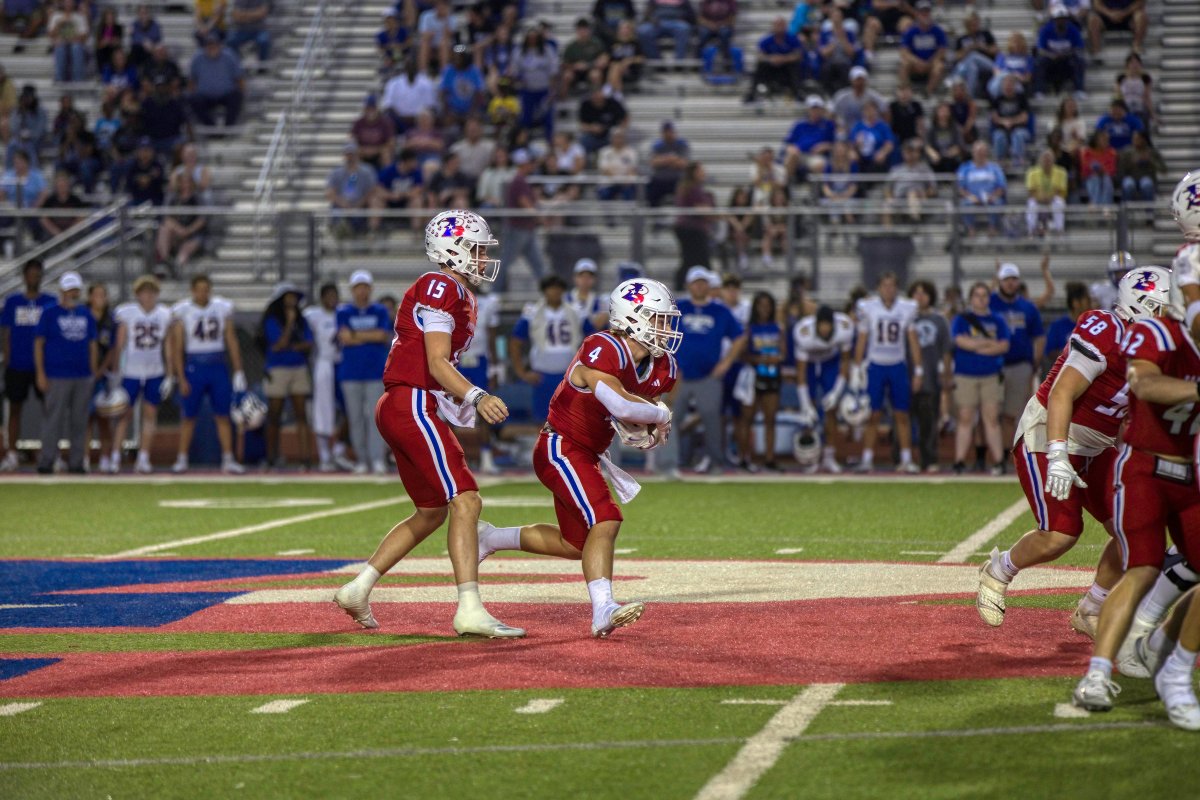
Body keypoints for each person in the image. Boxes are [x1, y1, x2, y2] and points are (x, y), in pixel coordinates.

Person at [334, 209, 524, 640]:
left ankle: (358, 588)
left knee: (432, 511)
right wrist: (477, 396)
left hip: (405, 404)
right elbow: (437, 362)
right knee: (467, 501)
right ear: (452, 251)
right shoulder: (441, 285)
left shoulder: (455, 290)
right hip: (413, 402)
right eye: (476, 249)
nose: (482, 258)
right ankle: (469, 609)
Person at [475, 278, 681, 637]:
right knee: (606, 518)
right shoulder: (604, 346)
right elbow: (620, 404)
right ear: (633, 317)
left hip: (586, 453)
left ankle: (490, 539)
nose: (666, 327)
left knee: (577, 545)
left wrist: (647, 431)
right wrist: (660, 415)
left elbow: (638, 417)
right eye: (658, 318)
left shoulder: (664, 367)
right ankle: (603, 609)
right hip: (560, 446)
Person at [978, 267, 1171, 641]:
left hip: (1098, 443)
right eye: (1167, 309)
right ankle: (998, 571)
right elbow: (1061, 393)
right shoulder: (1107, 331)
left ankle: (1092, 608)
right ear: (1142, 307)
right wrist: (1058, 454)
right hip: (1050, 430)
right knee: (1061, 534)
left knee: (1138, 527)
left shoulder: (1158, 350)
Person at [1070, 281, 1200, 727]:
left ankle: (1170, 664)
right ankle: (1097, 674)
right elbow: (1144, 383)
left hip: (1190, 473)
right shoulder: (1156, 331)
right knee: (1142, 566)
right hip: (1144, 467)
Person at [666, 266, 744, 474]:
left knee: (711, 419)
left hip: (709, 374)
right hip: (679, 375)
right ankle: (667, 464)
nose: (699, 286)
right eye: (696, 283)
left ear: (709, 286)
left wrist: (726, 363)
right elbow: (661, 334)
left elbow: (739, 337)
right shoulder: (677, 308)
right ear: (688, 285)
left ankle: (716, 463)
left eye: (703, 282)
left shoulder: (720, 310)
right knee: (670, 419)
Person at [170, 274, 245, 474]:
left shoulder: (221, 307)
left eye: (206, 289)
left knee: (223, 415)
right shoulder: (183, 310)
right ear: (193, 290)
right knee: (188, 416)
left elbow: (231, 340)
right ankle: (182, 458)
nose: (203, 293)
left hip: (217, 365)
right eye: (199, 289)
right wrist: (180, 376)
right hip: (194, 366)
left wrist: (238, 370)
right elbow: (177, 347)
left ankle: (228, 459)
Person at [853, 272, 921, 473]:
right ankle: (867, 459)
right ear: (878, 288)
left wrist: (919, 370)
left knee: (902, 414)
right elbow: (862, 338)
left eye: (892, 285)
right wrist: (857, 368)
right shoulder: (867, 307)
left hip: (897, 365)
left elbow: (913, 340)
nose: (888, 289)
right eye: (885, 285)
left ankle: (906, 459)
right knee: (872, 414)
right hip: (875, 366)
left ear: (897, 288)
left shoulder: (907, 308)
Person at [32, 270, 95, 474]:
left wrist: (92, 372)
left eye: (75, 289)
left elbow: (92, 344)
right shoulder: (49, 313)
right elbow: (39, 343)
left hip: (81, 374)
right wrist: (40, 373)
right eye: (69, 289)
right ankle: (47, 460)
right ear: (61, 290)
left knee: (79, 421)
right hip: (56, 374)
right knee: (53, 420)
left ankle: (77, 461)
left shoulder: (86, 313)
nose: (72, 293)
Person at [110, 275, 173, 474]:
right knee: (124, 415)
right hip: (131, 371)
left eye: (152, 292)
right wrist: (116, 371)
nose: (148, 296)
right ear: (137, 294)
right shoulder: (127, 313)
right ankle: (115, 457)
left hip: (155, 371)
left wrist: (170, 374)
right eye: (144, 292)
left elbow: (168, 346)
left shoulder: (164, 314)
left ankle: (144, 458)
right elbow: (119, 344)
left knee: (150, 415)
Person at [0, 259, 55, 471]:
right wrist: (8, 358)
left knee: (49, 409)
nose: (33, 278)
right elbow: (6, 332)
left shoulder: (50, 302)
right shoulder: (13, 302)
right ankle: (12, 453)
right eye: (30, 274)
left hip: (44, 365)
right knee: (14, 409)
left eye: (37, 274)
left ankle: (49, 452)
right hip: (17, 364)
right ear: (24, 277)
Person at [511, 274, 588, 425]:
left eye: (558, 288)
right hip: (542, 375)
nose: (554, 292)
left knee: (572, 418)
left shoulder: (575, 312)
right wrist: (521, 372)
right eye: (551, 288)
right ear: (544, 291)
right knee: (543, 419)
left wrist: (586, 368)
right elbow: (515, 342)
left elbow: (592, 337)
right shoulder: (533, 312)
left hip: (570, 375)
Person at [951, 281, 1010, 474]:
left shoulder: (997, 320)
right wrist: (987, 344)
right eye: (977, 295)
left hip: (991, 375)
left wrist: (976, 345)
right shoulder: (962, 319)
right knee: (965, 417)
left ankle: (999, 461)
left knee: (991, 418)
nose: (981, 299)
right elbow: (960, 342)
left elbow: (1003, 346)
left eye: (984, 295)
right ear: (971, 298)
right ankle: (959, 461)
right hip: (965, 374)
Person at [336, 270, 391, 475]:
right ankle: (361, 459)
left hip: (375, 372)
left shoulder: (380, 310)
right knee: (355, 418)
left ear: (370, 289)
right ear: (352, 290)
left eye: (365, 287)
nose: (362, 291)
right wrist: (369, 336)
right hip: (350, 373)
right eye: (358, 287)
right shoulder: (343, 311)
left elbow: (381, 336)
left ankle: (377, 459)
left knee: (376, 418)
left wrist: (356, 336)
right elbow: (345, 338)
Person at [991, 262, 1046, 451]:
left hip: (1019, 365)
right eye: (1006, 279)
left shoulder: (1028, 307)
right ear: (999, 281)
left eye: (1014, 279)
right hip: (993, 366)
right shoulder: (990, 303)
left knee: (1011, 414)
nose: (1010, 283)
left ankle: (1007, 454)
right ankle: (990, 456)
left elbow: (1039, 337)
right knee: (990, 413)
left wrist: (1034, 363)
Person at [793, 304, 854, 474]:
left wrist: (836, 392)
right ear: (816, 324)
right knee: (808, 414)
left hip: (830, 362)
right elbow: (801, 373)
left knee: (831, 409)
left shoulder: (844, 328)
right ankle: (811, 458)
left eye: (828, 325)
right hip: (809, 364)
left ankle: (829, 456)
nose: (825, 329)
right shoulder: (803, 332)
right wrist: (805, 404)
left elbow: (845, 362)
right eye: (822, 325)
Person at [261, 282, 312, 469]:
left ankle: (305, 458)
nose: (292, 301)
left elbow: (308, 343)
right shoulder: (271, 320)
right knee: (274, 414)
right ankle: (271, 457)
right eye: (288, 297)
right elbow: (279, 344)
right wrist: (289, 324)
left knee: (301, 414)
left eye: (294, 297)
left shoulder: (302, 320)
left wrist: (292, 345)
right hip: (277, 369)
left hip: (298, 368)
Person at [737, 291, 784, 472]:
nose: (765, 309)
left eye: (768, 305)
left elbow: (784, 353)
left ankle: (769, 459)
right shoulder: (748, 329)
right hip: (752, 377)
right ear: (755, 307)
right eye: (761, 305)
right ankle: (744, 458)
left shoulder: (777, 328)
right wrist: (760, 359)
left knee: (770, 419)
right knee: (746, 418)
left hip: (772, 376)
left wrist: (776, 358)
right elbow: (742, 354)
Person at [303, 282, 344, 473]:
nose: (332, 299)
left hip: (343, 363)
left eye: (334, 295)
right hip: (323, 363)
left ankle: (338, 449)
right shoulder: (313, 315)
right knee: (323, 411)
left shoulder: (344, 312)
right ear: (321, 298)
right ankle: (324, 455)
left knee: (349, 410)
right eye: (328, 295)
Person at [909, 280, 950, 472]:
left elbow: (946, 350)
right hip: (906, 375)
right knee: (903, 419)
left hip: (931, 376)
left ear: (931, 296)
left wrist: (945, 374)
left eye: (924, 293)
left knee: (929, 421)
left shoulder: (939, 320)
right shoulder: (905, 317)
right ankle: (903, 458)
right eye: (916, 293)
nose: (920, 297)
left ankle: (929, 459)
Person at [496, 149, 547, 290]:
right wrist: (540, 217)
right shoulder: (518, 181)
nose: (532, 165)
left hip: (526, 229)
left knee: (538, 264)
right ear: (523, 164)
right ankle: (494, 292)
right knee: (506, 262)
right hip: (517, 229)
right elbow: (524, 202)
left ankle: (548, 290)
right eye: (530, 163)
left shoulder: (522, 180)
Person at [672, 161, 715, 287]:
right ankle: (709, 285)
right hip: (691, 229)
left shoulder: (691, 187)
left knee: (691, 259)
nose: (703, 173)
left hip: (690, 228)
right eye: (700, 171)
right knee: (696, 259)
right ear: (694, 173)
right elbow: (702, 209)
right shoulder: (692, 188)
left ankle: (684, 284)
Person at [155, 172, 206, 275]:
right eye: (182, 182)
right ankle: (165, 260)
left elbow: (202, 219)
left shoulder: (197, 198)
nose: (185, 185)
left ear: (192, 183)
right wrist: (179, 230)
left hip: (193, 234)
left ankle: (177, 267)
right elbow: (166, 217)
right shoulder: (173, 197)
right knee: (164, 228)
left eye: (188, 182)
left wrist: (188, 231)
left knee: (186, 248)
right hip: (175, 232)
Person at [189, 33, 244, 127]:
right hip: (205, 96)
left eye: (214, 45)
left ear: (219, 45)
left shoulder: (229, 56)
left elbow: (239, 77)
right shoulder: (197, 58)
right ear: (204, 46)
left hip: (226, 95)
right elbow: (192, 80)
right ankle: (211, 127)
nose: (212, 47)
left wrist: (242, 91)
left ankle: (228, 127)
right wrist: (192, 92)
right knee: (193, 99)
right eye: (209, 45)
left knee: (237, 96)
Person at [744, 16, 802, 103]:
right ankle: (751, 94)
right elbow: (760, 55)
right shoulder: (766, 40)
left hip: (786, 67)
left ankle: (798, 94)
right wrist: (771, 59)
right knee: (760, 66)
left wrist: (783, 59)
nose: (779, 27)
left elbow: (798, 55)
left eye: (781, 25)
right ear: (773, 26)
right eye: (777, 25)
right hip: (771, 67)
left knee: (795, 66)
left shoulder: (792, 39)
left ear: (785, 26)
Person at [326, 143, 379, 237]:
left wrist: (359, 204)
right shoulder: (336, 172)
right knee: (337, 213)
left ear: (357, 155)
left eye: (352, 154)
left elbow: (372, 190)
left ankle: (370, 231)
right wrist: (343, 203)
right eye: (348, 154)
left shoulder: (367, 171)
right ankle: (339, 229)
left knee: (373, 202)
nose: (350, 157)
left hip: (361, 204)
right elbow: (331, 192)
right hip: (341, 204)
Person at [883, 139, 936, 227]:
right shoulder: (896, 169)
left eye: (912, 152)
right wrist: (889, 198)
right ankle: (888, 232)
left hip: (919, 197)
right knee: (886, 205)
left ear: (917, 153)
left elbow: (932, 188)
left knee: (912, 194)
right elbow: (887, 188)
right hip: (899, 198)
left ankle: (914, 224)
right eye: (907, 152)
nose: (910, 155)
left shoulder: (924, 168)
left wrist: (925, 195)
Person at [956, 141, 1006, 235]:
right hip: (971, 198)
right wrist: (970, 196)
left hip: (991, 197)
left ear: (986, 153)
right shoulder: (965, 168)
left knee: (997, 202)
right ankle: (970, 229)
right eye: (978, 152)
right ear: (973, 153)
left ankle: (992, 228)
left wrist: (993, 196)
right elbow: (959, 188)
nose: (980, 154)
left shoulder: (995, 168)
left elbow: (1001, 187)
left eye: (982, 152)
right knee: (965, 204)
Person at [898, 0, 946, 96]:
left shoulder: (937, 31)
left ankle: (928, 91)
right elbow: (904, 51)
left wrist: (929, 62)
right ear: (917, 13)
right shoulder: (911, 31)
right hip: (915, 65)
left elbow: (942, 50)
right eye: (922, 11)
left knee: (939, 66)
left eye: (927, 11)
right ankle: (906, 91)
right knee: (904, 64)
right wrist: (917, 62)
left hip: (930, 64)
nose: (924, 14)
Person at [783, 95, 835, 180]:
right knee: (791, 157)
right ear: (808, 110)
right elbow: (789, 143)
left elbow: (835, 143)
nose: (815, 111)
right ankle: (788, 184)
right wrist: (792, 149)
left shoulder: (828, 125)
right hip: (799, 154)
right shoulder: (799, 124)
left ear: (822, 110)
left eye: (817, 109)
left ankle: (818, 187)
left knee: (819, 165)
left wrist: (825, 146)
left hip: (816, 155)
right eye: (813, 109)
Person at [951, 10, 997, 99]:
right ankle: (970, 96)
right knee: (972, 67)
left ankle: (955, 82)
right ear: (966, 24)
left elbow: (995, 51)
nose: (974, 24)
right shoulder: (961, 39)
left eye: (976, 22)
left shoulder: (986, 34)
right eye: (971, 23)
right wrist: (968, 49)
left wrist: (983, 47)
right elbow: (957, 57)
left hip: (987, 64)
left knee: (973, 56)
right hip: (967, 67)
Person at [1045, 281, 1091, 368]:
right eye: (1087, 300)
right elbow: (1050, 352)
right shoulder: (1057, 326)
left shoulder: (1093, 325)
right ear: (1075, 303)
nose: (1089, 304)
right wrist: (1073, 355)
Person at [560, 18, 609, 96]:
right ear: (577, 31)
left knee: (595, 75)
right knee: (567, 75)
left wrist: (588, 65)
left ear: (589, 30)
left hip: (591, 70)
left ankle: (597, 97)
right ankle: (563, 99)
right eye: (580, 29)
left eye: (585, 29)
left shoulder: (596, 43)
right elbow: (565, 64)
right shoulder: (571, 46)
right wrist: (574, 66)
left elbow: (604, 59)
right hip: (575, 72)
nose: (583, 32)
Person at [646, 120, 690, 207]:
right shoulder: (657, 145)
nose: (668, 134)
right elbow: (653, 163)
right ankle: (654, 214)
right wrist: (671, 159)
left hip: (677, 179)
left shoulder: (681, 145)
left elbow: (684, 164)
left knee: (686, 189)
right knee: (650, 192)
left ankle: (683, 214)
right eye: (666, 132)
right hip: (660, 180)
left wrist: (662, 160)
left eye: (670, 131)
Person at [1025, 150, 1068, 237]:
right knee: (1031, 204)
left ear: (1053, 160)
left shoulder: (1061, 172)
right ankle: (1031, 231)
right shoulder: (1032, 172)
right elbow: (1031, 191)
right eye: (1044, 159)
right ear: (1040, 160)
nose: (1047, 162)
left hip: (1054, 198)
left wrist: (1049, 198)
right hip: (1037, 198)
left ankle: (1059, 230)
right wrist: (1040, 198)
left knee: (1058, 203)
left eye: (1049, 160)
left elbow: (1060, 190)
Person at [990, 74, 1031, 167]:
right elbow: (994, 117)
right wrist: (1003, 122)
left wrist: (1011, 122)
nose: (1008, 86)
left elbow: (1025, 117)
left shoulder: (1021, 98)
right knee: (998, 136)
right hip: (1002, 129)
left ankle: (1017, 160)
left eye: (1010, 84)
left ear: (1014, 85)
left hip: (1020, 129)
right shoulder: (997, 99)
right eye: (1006, 84)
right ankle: (1000, 161)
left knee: (1018, 135)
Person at [1117, 129, 1164, 206]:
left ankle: (1149, 210)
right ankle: (1126, 210)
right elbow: (1120, 169)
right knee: (1128, 185)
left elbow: (1163, 169)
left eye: (1138, 139)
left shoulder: (1151, 152)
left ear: (1143, 140)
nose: (1135, 141)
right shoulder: (1127, 152)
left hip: (1146, 177)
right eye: (1134, 139)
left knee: (1147, 185)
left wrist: (1150, 160)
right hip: (1130, 177)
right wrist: (1132, 163)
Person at [831, 66, 886, 131]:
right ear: (851, 80)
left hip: (869, 130)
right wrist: (836, 126)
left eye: (862, 79)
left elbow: (885, 112)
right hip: (846, 129)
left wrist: (882, 129)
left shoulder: (874, 96)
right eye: (857, 79)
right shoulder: (841, 96)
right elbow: (831, 113)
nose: (860, 82)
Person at [36, 169, 86, 241]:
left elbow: (81, 217)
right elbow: (43, 218)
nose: (62, 187)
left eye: (64, 184)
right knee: (45, 236)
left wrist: (69, 232)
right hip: (54, 232)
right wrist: (56, 232)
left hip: (72, 232)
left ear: (68, 185)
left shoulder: (76, 200)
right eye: (60, 185)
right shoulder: (50, 200)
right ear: (56, 186)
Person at [849, 100, 896, 175]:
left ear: (876, 111)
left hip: (876, 158)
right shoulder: (857, 126)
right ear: (863, 112)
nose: (869, 113)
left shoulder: (883, 126)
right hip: (861, 157)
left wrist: (883, 152)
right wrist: (854, 149)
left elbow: (889, 144)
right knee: (852, 159)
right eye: (867, 110)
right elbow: (851, 144)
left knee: (880, 161)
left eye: (872, 110)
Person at [577, 85, 626, 155]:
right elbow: (582, 125)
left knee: (617, 138)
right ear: (591, 96)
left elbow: (625, 118)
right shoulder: (585, 105)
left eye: (599, 95)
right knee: (583, 142)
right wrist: (592, 128)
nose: (598, 98)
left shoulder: (613, 103)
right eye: (595, 96)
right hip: (592, 135)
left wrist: (620, 130)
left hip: (610, 134)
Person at [48, 0, 89, 83]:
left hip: (75, 43)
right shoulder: (56, 16)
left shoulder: (79, 16)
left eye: (70, 2)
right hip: (60, 43)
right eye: (66, 2)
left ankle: (78, 80)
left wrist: (72, 39)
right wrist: (59, 23)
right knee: (60, 48)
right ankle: (60, 79)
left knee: (76, 48)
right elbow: (51, 34)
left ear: (74, 3)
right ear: (63, 3)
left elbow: (84, 36)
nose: (68, 4)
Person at [351, 94, 396, 168]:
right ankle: (354, 174)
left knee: (386, 153)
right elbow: (352, 139)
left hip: (379, 151)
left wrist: (376, 150)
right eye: (368, 108)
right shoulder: (358, 123)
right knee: (354, 152)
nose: (370, 111)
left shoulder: (385, 123)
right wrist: (362, 149)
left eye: (372, 108)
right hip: (363, 151)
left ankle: (386, 174)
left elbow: (391, 142)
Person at [986, 31, 1033, 100]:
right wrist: (1010, 75)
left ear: (1023, 43)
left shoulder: (1028, 58)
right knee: (1002, 80)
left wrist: (1017, 77)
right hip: (1002, 80)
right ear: (1010, 43)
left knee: (1011, 84)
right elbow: (996, 73)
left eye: (1019, 41)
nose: (1016, 44)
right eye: (1014, 41)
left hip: (1018, 82)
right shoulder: (1002, 56)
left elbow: (1027, 78)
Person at [226, 0, 272, 67]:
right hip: (242, 30)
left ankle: (262, 68)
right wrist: (255, 15)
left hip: (259, 30)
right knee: (230, 41)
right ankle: (236, 65)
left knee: (264, 41)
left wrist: (243, 15)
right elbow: (236, 16)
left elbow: (263, 13)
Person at [597, 126, 638, 202]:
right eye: (616, 137)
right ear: (611, 138)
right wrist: (618, 180)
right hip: (609, 183)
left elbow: (632, 170)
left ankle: (629, 209)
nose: (618, 140)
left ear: (624, 139)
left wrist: (625, 181)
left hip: (625, 183)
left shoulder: (631, 152)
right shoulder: (604, 152)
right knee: (604, 193)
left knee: (630, 191)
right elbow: (605, 170)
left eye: (621, 137)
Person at [567, 258, 608, 330]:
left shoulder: (601, 302)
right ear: (575, 278)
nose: (585, 280)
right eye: (582, 276)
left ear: (594, 279)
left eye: (589, 277)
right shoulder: (565, 299)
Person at [924, 102, 964, 173]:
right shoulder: (931, 128)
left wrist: (948, 154)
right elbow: (927, 146)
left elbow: (959, 146)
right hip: (936, 156)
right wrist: (934, 155)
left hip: (951, 157)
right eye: (941, 111)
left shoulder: (955, 127)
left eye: (946, 111)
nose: (944, 114)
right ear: (936, 113)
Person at [1079, 129, 1116, 206]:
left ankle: (1105, 206)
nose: (1106, 141)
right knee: (1095, 179)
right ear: (1096, 140)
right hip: (1090, 179)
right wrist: (1095, 171)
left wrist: (1102, 170)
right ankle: (1096, 206)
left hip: (1106, 178)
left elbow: (1112, 170)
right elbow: (1084, 171)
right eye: (1103, 139)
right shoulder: (1087, 152)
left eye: (1107, 139)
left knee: (1106, 179)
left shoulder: (1111, 152)